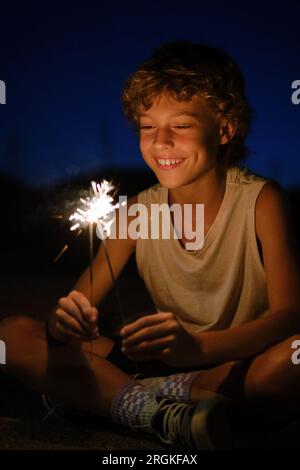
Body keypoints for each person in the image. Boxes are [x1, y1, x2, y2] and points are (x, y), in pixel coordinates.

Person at [1, 40, 300, 450]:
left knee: (292, 360)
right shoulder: (138, 214)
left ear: (225, 129)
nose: (160, 142)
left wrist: (196, 349)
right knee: (12, 336)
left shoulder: (260, 201)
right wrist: (64, 321)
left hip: (235, 361)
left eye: (180, 125)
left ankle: (113, 397)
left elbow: (288, 316)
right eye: (147, 127)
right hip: (155, 361)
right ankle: (157, 410)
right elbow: (70, 311)